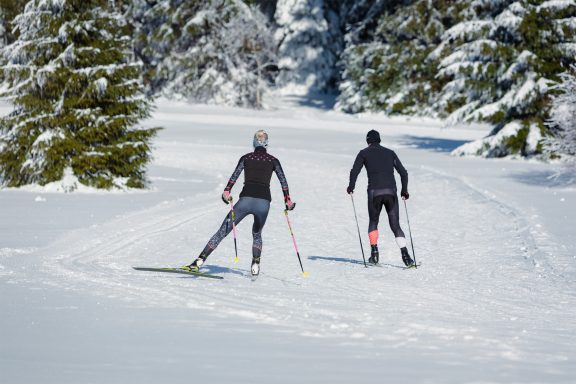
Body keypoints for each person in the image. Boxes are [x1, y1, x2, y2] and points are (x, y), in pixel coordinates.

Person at [184, 130, 296, 277]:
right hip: (263, 204)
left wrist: (226, 192)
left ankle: (198, 262)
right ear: (267, 143)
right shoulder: (273, 160)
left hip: (245, 201)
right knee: (257, 233)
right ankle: (255, 263)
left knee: (222, 232)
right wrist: (288, 201)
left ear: (254, 142)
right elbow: (283, 182)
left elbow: (234, 176)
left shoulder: (246, 158)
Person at [347, 130, 415, 267]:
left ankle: (374, 254)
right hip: (391, 192)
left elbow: (354, 171)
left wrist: (351, 186)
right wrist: (404, 190)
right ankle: (406, 256)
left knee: (373, 221)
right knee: (395, 225)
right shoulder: (390, 153)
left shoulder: (363, 153)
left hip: (374, 193)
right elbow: (403, 173)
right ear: (379, 140)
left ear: (368, 141)